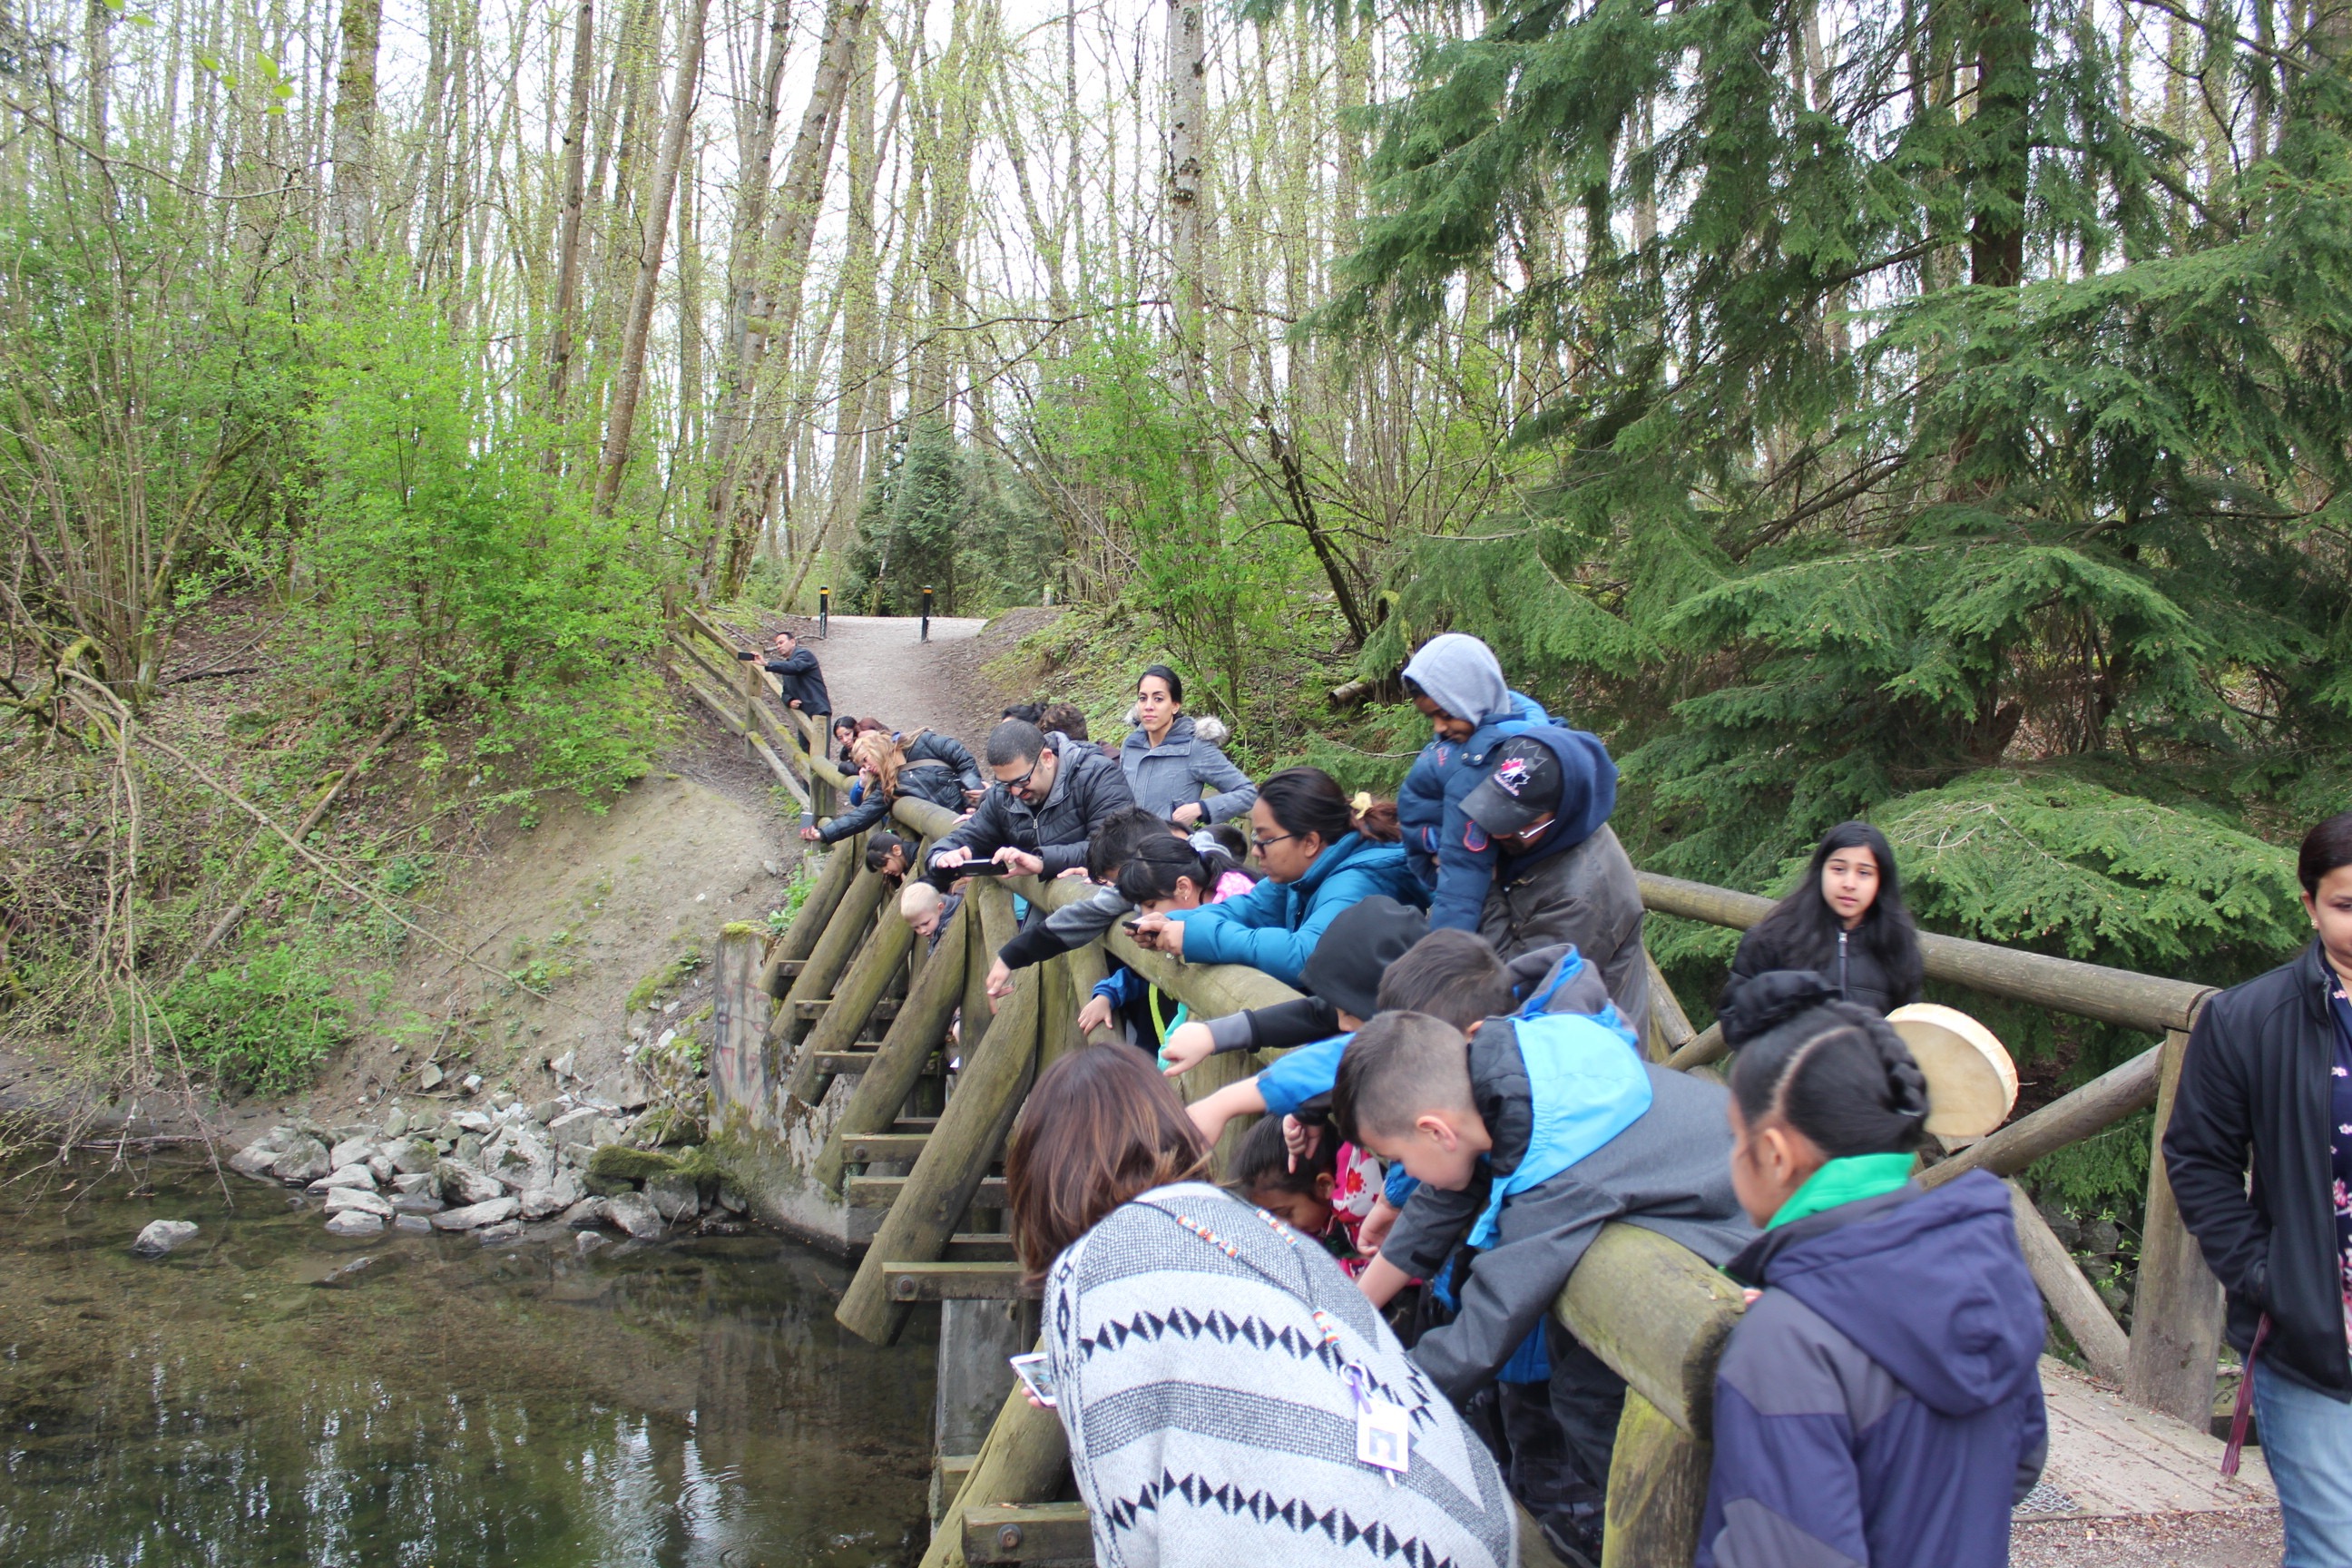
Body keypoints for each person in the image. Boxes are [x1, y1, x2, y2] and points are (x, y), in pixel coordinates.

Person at [1006, 1044, 1517, 1568]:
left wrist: (1086, 1379)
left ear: (1044, 1175)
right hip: (1466, 1519)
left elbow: (1126, 1523)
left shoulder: (1091, 1266)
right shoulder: (1264, 1227)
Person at [1335, 1005, 1753, 1531]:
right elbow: (1455, 1184)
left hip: (1746, 1258)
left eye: (1399, 1159)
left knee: (1590, 1399)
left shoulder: (1560, 1166)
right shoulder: (1508, 1072)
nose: (1405, 1175)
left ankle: (1691, 1537)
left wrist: (1385, 1397)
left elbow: (1490, 1320)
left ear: (1436, 1131)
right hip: (1724, 1207)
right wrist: (1345, 1315)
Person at [1698, 980, 2046, 1568]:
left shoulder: (1786, 1344)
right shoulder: (1980, 1275)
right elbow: (2022, 1461)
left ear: (1777, 1155)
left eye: (1737, 1138)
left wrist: (1787, 1333)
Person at [2167, 809, 2352, 1567]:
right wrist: (2266, 1275)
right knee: (2332, 1551)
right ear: (2308, 903)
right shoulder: (2248, 1018)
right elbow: (2199, 1159)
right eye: (2346, 904)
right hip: (2313, 1338)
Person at [1130, 767, 1425, 989]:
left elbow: (1306, 955)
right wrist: (1176, 922)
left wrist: (1196, 937)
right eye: (1255, 837)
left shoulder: (1356, 883)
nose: (1256, 852)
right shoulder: (1302, 873)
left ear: (1309, 842)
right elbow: (1245, 909)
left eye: (1266, 840)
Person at [1457, 729, 1651, 1038]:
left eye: (1521, 823)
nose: (1500, 833)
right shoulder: (1553, 836)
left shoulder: (1582, 896)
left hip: (1582, 1053)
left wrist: (1483, 887)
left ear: (1563, 815)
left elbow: (1514, 986)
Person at [1394, 633, 1550, 933]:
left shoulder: (1476, 768)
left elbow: (1463, 872)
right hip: (1438, 851)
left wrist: (1445, 947)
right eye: (1431, 717)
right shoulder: (1501, 724)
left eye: (1445, 714)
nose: (1438, 728)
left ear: (1472, 698)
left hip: (1449, 860)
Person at [1720, 820, 1924, 1019]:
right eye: (1838, 869)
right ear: (1820, 871)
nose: (1849, 883)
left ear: (1881, 881)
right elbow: (1735, 1016)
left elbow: (1907, 1028)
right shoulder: (1772, 938)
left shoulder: (1896, 945)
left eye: (1864, 873)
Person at [1077, 833, 1258, 1051]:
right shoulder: (1181, 926)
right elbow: (1146, 970)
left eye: (1151, 904)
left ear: (1183, 887)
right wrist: (1109, 993)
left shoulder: (1243, 918)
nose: (1144, 915)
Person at [927, 719, 1136, 881]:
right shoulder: (1004, 794)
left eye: (1022, 780)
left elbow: (1113, 846)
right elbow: (971, 834)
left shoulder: (1098, 776)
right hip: (1045, 906)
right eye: (1005, 783)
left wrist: (1042, 860)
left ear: (1046, 758)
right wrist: (942, 856)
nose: (1015, 792)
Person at [1228, 1112, 1383, 1273]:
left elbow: (1381, 1266)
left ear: (1324, 1186)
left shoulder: (1353, 1202)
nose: (1285, 1226)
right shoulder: (1320, 1203)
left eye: (1287, 1213)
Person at [1120, 664, 1258, 826]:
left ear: (1175, 705)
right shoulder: (1131, 745)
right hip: (1125, 847)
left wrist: (1201, 808)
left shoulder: (1195, 748)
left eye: (1158, 699)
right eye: (1143, 698)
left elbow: (1248, 793)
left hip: (1169, 848)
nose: (1149, 706)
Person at [804, 730, 983, 845]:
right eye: (861, 765)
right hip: (946, 836)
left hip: (974, 817)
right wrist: (824, 833)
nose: (866, 767)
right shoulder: (886, 785)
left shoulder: (923, 742)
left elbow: (964, 761)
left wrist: (971, 804)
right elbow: (861, 815)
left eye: (865, 760)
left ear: (876, 748)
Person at [737, 629, 830, 739]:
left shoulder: (805, 655)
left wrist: (767, 664)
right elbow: (785, 692)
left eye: (781, 642)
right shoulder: (786, 668)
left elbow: (796, 667)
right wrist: (790, 701)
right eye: (776, 644)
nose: (778, 646)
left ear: (793, 642)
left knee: (820, 752)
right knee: (805, 751)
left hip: (818, 711)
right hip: (802, 714)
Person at [898, 879, 960, 952]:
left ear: (940, 908)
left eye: (925, 923)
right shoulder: (936, 922)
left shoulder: (949, 926)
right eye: (916, 927)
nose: (922, 931)